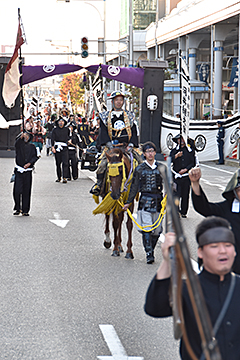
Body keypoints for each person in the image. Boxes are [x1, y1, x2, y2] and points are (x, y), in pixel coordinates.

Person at [144, 216, 240, 360]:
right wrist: (167, 262)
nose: (222, 251)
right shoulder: (187, 289)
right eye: (214, 246)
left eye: (227, 245)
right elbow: (154, 308)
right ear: (200, 252)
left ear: (235, 251)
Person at [189, 166, 240, 274]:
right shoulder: (226, 208)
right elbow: (204, 207)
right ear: (234, 191)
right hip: (232, 269)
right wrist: (195, 183)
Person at [90, 90, 141, 196]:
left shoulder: (130, 116)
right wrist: (108, 145)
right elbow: (103, 132)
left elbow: (134, 131)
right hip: (111, 148)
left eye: (121, 100)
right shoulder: (104, 116)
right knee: (102, 165)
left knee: (141, 163)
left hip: (126, 147)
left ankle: (141, 186)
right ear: (112, 101)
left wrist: (131, 144)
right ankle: (99, 185)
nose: (119, 102)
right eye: (116, 100)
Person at [122, 142, 164, 264]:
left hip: (158, 201)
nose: (150, 154)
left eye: (152, 151)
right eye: (148, 152)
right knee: (147, 228)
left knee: (157, 230)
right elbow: (134, 187)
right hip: (145, 201)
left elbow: (169, 183)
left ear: (155, 153)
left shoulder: (162, 167)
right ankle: (149, 254)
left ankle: (151, 248)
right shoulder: (139, 169)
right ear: (144, 154)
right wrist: (128, 202)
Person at [13, 131, 39, 216]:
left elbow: (35, 157)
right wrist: (21, 137)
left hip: (27, 171)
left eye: (27, 136)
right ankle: (18, 207)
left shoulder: (32, 146)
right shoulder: (19, 145)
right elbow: (16, 144)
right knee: (17, 190)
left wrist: (30, 163)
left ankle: (25, 210)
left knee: (26, 190)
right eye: (24, 136)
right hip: (19, 170)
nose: (26, 137)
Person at [170, 134, 196, 218]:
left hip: (186, 176)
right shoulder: (174, 151)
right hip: (176, 176)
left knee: (185, 195)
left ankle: (184, 212)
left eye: (182, 139)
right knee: (176, 194)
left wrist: (186, 169)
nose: (181, 141)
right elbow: (169, 160)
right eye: (179, 140)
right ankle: (176, 211)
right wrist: (176, 156)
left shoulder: (190, 151)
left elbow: (193, 163)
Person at [51, 117, 70, 183]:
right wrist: (53, 147)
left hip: (64, 147)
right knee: (58, 163)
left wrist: (69, 141)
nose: (61, 122)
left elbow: (69, 137)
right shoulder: (55, 130)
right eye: (60, 121)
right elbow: (52, 139)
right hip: (57, 147)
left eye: (62, 121)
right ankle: (59, 177)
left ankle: (65, 177)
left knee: (65, 162)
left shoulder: (67, 129)